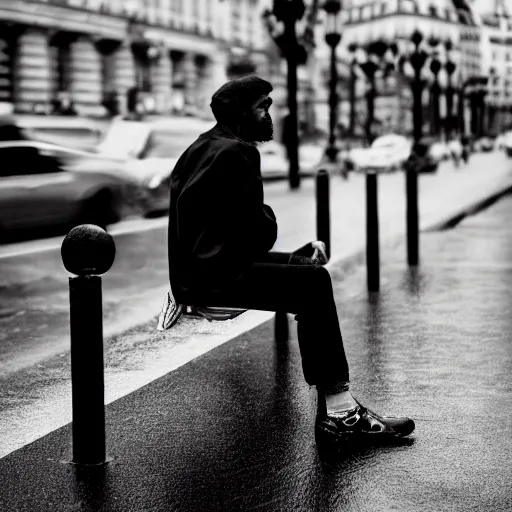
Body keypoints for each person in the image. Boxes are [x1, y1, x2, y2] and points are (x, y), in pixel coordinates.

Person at [166, 76, 415, 441]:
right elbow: (258, 232)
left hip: (198, 270)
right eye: (262, 106)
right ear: (241, 112)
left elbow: (225, 234)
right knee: (314, 284)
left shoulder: (201, 147)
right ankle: (342, 414)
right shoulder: (238, 152)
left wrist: (293, 259)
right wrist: (267, 219)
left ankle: (336, 405)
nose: (270, 113)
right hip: (213, 276)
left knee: (306, 272)